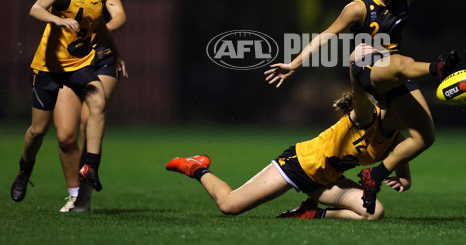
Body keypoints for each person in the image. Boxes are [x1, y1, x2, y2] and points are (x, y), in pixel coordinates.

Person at [265, 0, 466, 213]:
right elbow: (325, 35)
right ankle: (439, 68)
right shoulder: (358, 7)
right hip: (367, 69)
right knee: (401, 63)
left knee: (425, 136)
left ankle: (374, 176)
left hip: (398, 73)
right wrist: (294, 64)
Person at [166, 46, 411, 220]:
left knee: (374, 213)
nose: (412, 114)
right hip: (299, 165)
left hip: (327, 181)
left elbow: (403, 164)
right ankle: (196, 166)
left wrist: (404, 180)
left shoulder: (397, 139)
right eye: (407, 107)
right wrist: (355, 65)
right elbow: (359, 89)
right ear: (389, 105)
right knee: (229, 206)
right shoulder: (367, 116)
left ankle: (311, 213)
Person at [10, 0, 124, 206]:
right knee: (39, 131)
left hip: (79, 65)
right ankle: (24, 169)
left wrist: (115, 53)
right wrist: (58, 21)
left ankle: (90, 169)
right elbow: (35, 9)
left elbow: (101, 26)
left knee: (96, 102)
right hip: (49, 68)